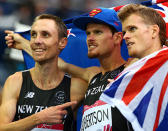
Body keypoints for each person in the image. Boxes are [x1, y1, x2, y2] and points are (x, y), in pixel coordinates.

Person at [6, 8, 136, 130]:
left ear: (117, 37)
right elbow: (59, 63)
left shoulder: (133, 71)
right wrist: (23, 43)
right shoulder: (92, 76)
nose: (90, 38)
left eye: (98, 32)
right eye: (88, 33)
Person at [1, 14, 88, 131]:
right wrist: (38, 118)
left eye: (45, 35)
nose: (37, 40)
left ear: (62, 42)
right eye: (33, 35)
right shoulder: (16, 81)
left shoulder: (76, 87)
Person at [100, 4, 168, 131]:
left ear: (154, 31)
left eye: (132, 29)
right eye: (125, 32)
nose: (125, 36)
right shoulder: (126, 78)